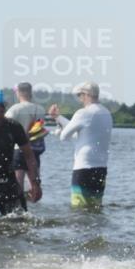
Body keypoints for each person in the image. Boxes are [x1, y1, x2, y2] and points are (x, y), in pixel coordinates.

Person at [0, 90, 42, 219]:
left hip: (7, 182)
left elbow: (29, 155)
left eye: (1, 111)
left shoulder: (13, 127)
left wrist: (35, 182)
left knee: (20, 223)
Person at [48, 81, 114, 209]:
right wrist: (58, 117)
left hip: (83, 167)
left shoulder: (83, 113)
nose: (79, 99)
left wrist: (59, 126)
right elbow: (84, 134)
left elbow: (64, 136)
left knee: (79, 209)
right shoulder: (107, 113)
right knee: (95, 207)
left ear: (85, 95)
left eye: (79, 95)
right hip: (101, 167)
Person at [5, 82, 48, 193]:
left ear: (18, 93)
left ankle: (19, 206)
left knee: (18, 182)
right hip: (34, 150)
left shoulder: (14, 110)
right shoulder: (40, 109)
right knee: (34, 184)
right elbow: (39, 128)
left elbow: (4, 128)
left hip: (18, 149)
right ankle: (34, 206)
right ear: (30, 93)